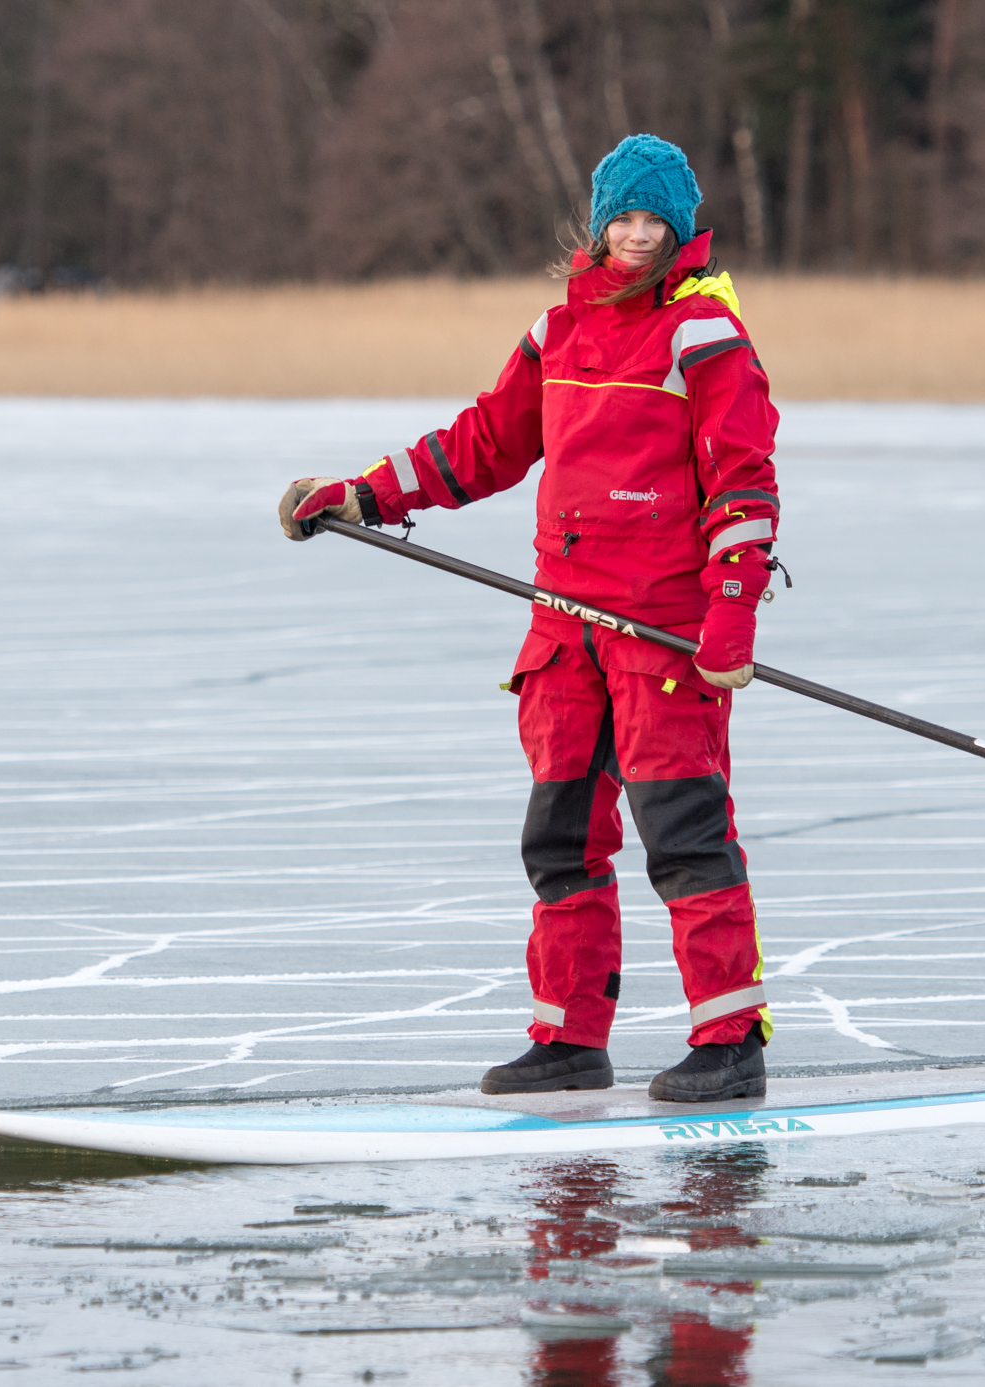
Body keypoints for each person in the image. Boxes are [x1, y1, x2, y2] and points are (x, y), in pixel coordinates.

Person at [277, 134, 781, 1104]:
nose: (635, 237)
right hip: (563, 633)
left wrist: (732, 607)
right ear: (596, 226)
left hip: (661, 635)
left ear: (681, 229)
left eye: (653, 222)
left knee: (683, 834)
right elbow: (480, 445)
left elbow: (743, 482)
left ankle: (729, 1039)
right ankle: (567, 1038)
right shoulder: (558, 332)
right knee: (559, 842)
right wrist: (360, 496)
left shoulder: (702, 334)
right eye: (620, 220)